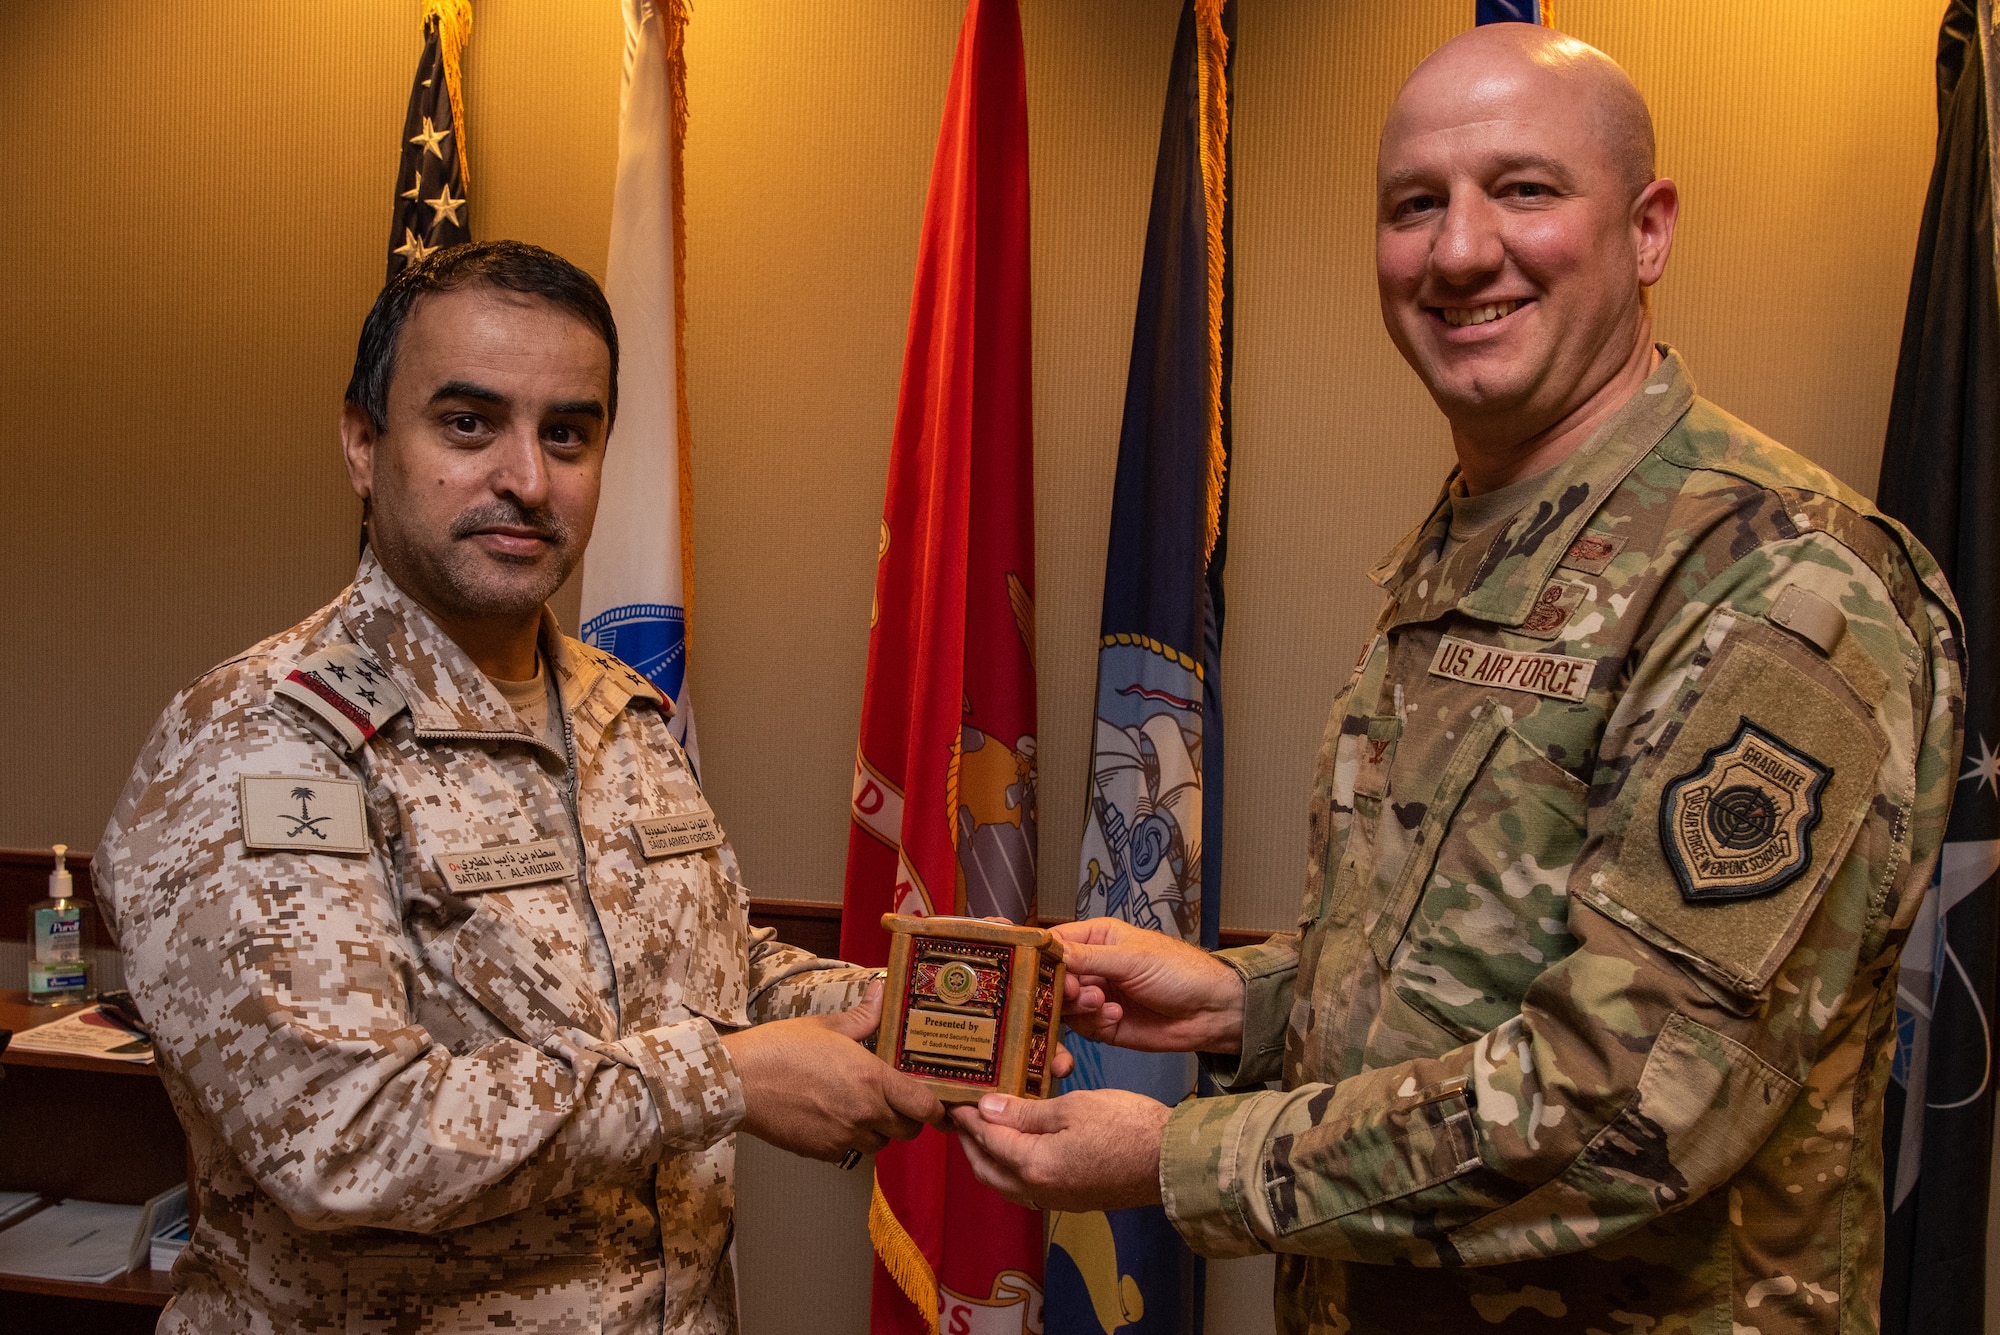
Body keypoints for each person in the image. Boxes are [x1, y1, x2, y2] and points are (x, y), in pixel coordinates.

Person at [952, 23, 1966, 1334]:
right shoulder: (1467, 547)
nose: (1460, 250)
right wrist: (1241, 1002)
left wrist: (1177, 1159)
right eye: (1414, 205)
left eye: (1525, 190)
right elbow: (1460, 980)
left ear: (1649, 229)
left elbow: (1632, 1096)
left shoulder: (1780, 584)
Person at [95, 241, 947, 1335]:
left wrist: (898, 1009)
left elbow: (705, 966)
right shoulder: (262, 740)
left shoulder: (618, 709)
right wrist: (723, 1081)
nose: (527, 480)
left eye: (567, 433)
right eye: (467, 423)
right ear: (363, 444)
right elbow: (343, 1140)